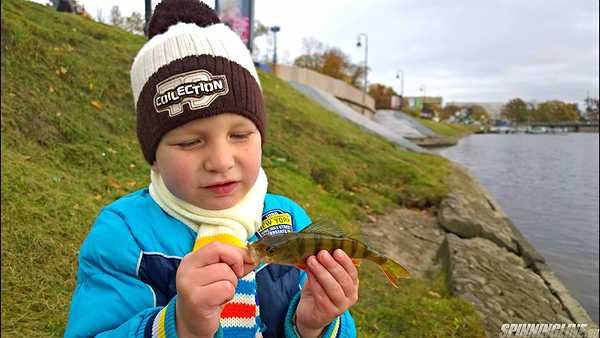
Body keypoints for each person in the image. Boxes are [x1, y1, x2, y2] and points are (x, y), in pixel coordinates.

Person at [64, 0, 358, 337]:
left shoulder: (289, 220)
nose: (220, 161)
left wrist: (314, 325)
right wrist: (179, 325)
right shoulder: (124, 236)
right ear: (154, 156)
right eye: (190, 142)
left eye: (240, 134)